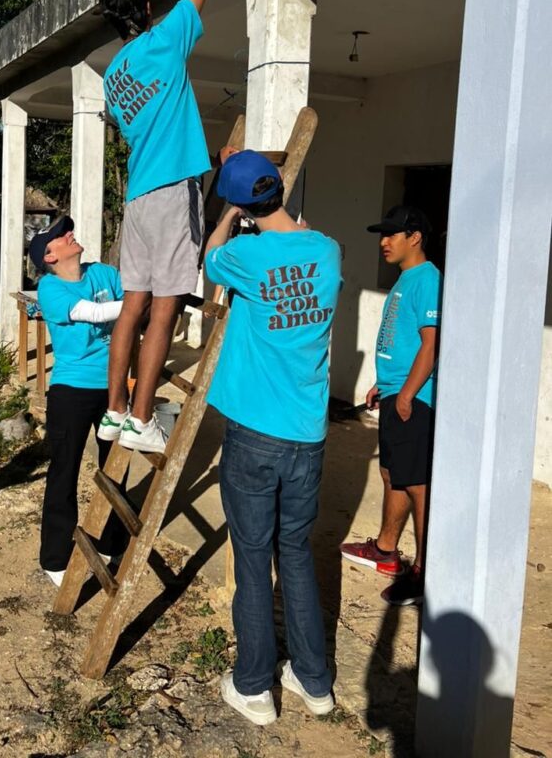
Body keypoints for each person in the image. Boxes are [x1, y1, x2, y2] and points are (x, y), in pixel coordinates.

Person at [204, 150, 342, 726]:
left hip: (256, 433)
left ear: (241, 205)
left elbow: (210, 259)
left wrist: (227, 219)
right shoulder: (327, 250)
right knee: (297, 554)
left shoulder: (244, 255)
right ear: (280, 188)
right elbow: (302, 243)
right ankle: (314, 682)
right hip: (307, 435)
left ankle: (254, 686)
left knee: (253, 558)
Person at [95, 0, 214, 455]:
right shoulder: (164, 40)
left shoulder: (112, 77)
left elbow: (134, 127)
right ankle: (143, 417)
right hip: (171, 191)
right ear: (146, 9)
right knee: (165, 306)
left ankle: (115, 410)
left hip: (139, 197)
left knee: (132, 306)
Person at [340, 205, 442, 606]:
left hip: (415, 398)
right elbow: (402, 341)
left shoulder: (427, 279)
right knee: (391, 474)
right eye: (382, 235)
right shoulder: (406, 278)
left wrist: (406, 394)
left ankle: (426, 573)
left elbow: (431, 345)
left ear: (415, 237)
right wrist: (382, 386)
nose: (384, 242)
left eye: (392, 234)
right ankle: (386, 550)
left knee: (417, 484)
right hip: (396, 392)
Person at [29, 215, 128, 588]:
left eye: (67, 230)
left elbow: (132, 298)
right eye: (60, 235)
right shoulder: (50, 288)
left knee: (116, 467)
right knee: (64, 470)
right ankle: (55, 558)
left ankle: (112, 542)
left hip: (113, 385)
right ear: (49, 257)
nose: (69, 234)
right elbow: (97, 312)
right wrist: (138, 301)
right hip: (71, 389)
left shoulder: (103, 273)